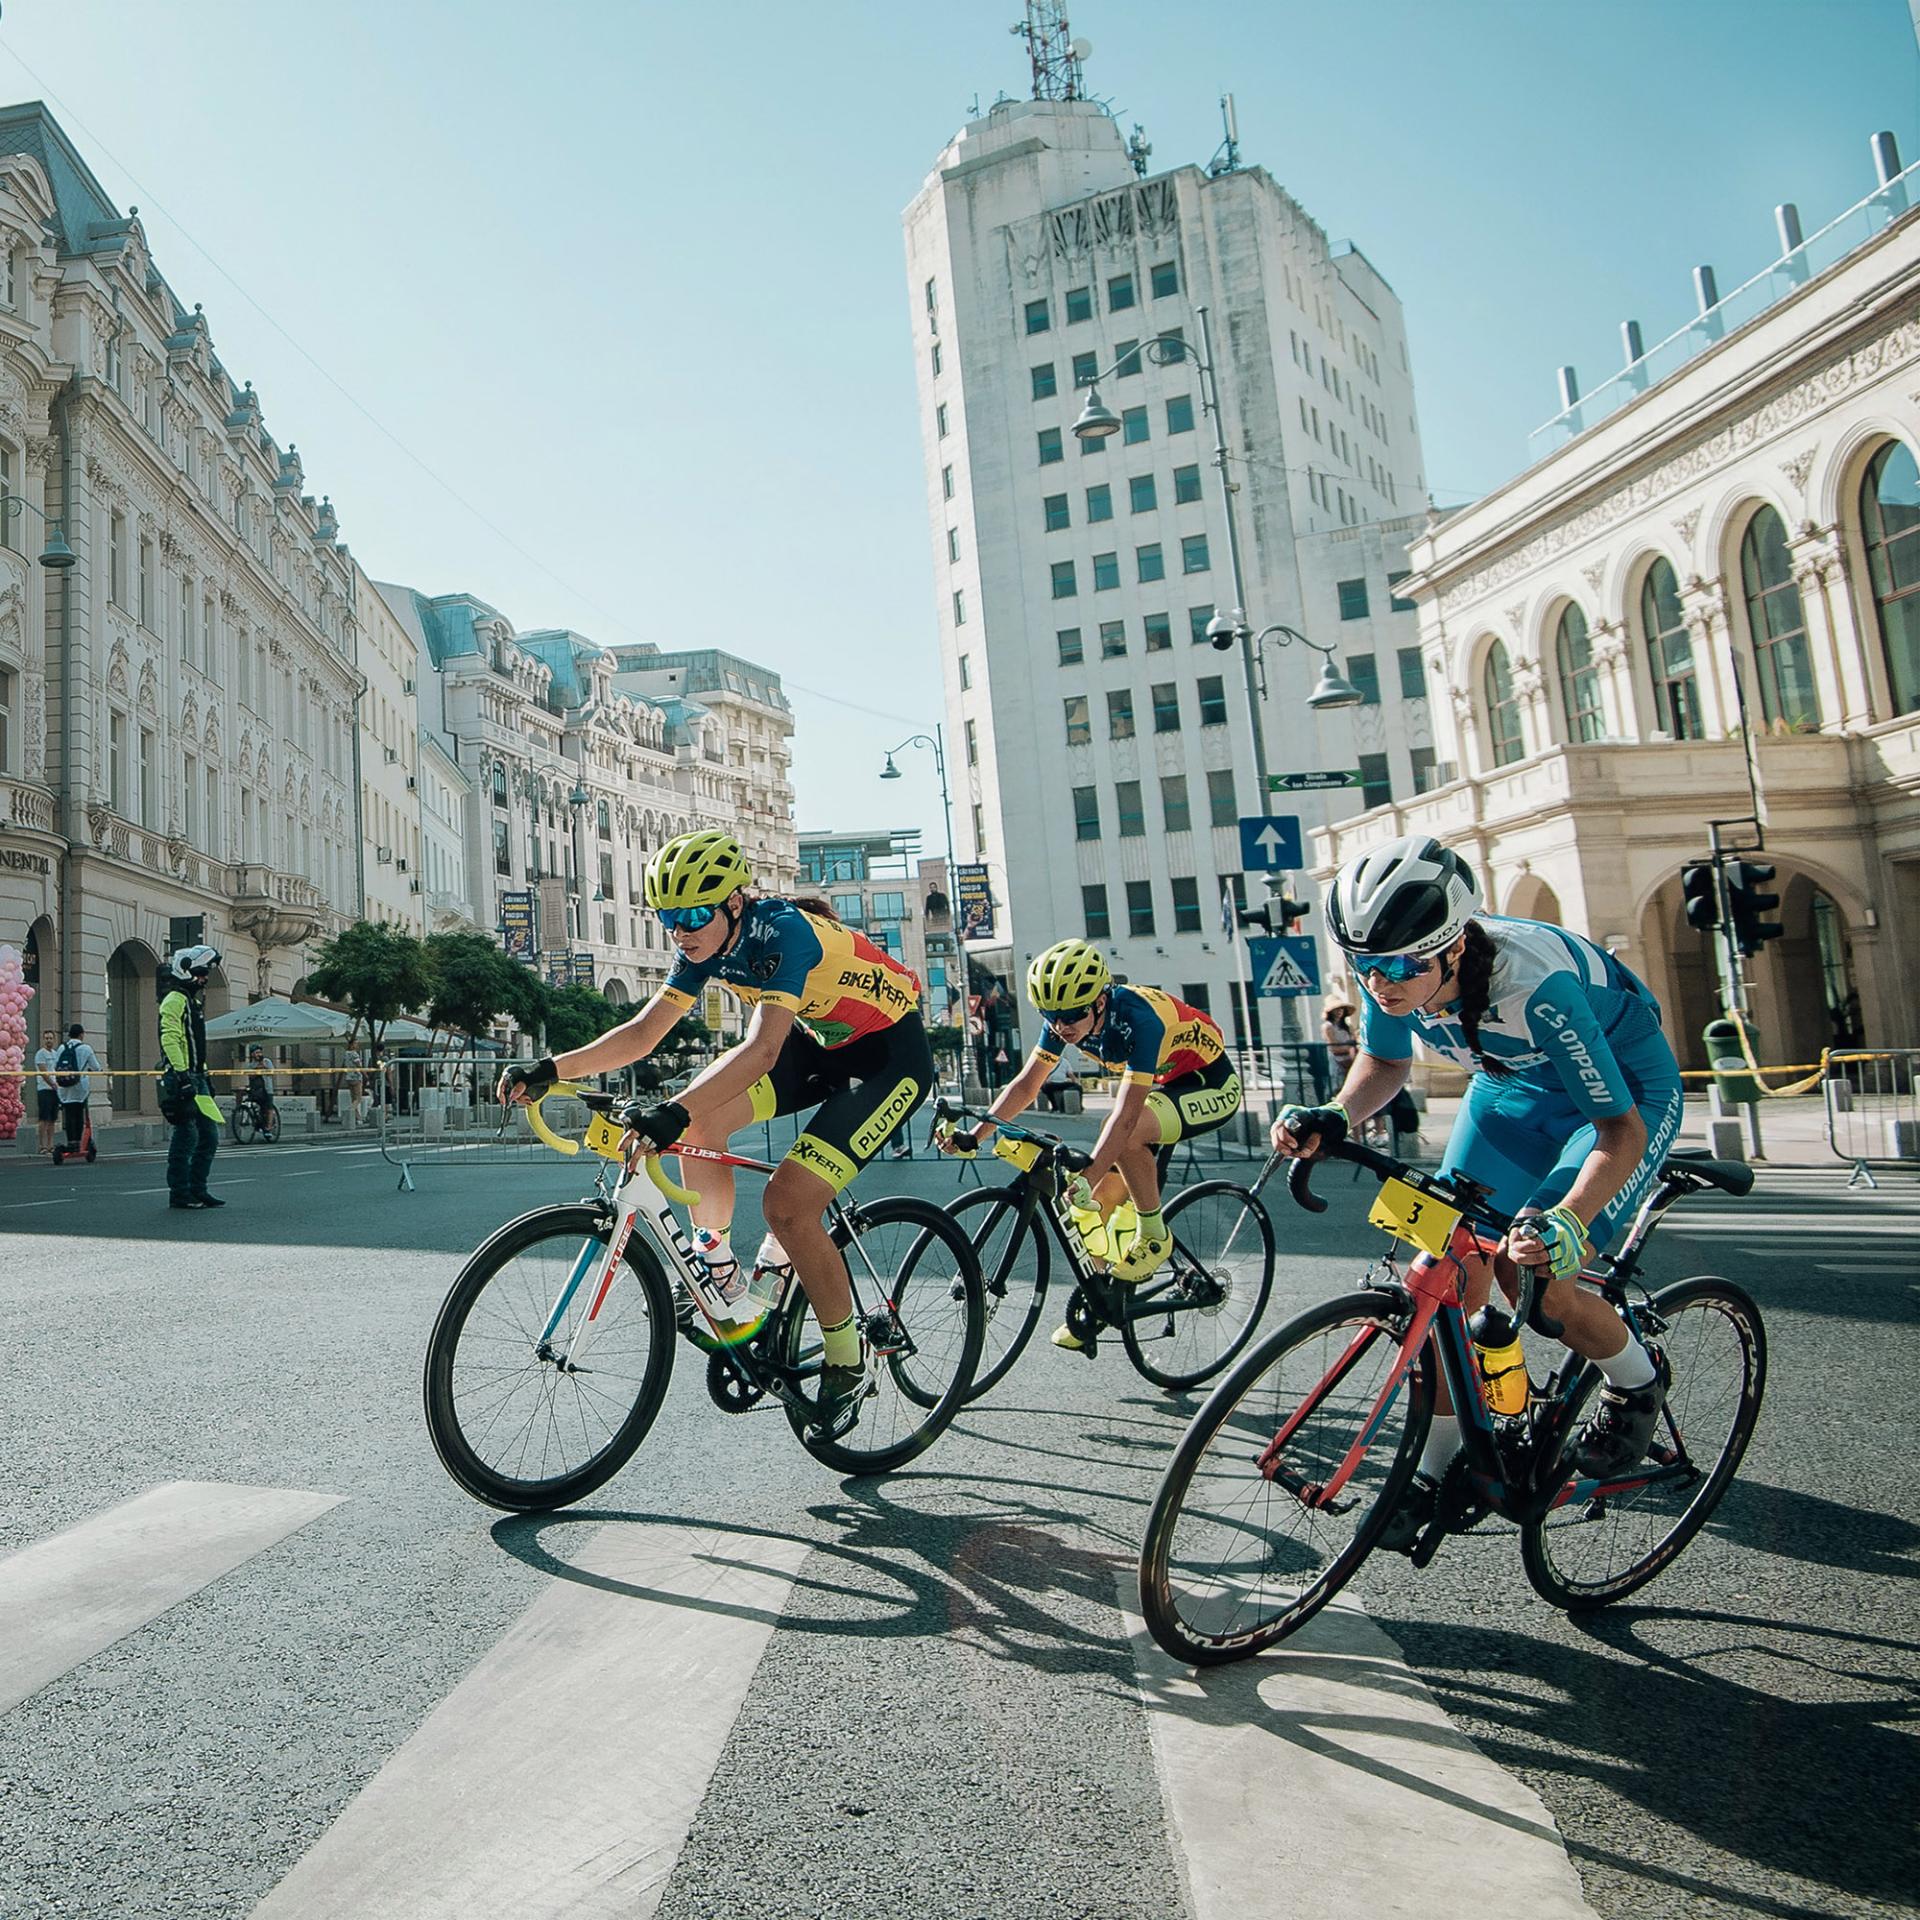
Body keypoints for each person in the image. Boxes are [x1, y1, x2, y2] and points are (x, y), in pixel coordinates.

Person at [1270, 834, 1684, 1548]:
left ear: (1455, 947)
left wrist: (1566, 1220)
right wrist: (1336, 1114)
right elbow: (1384, 1059)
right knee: (1434, 1275)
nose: (1381, 983)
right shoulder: (1392, 970)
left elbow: (1618, 1131)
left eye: (1400, 966)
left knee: (1539, 1273)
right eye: (1364, 967)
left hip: (1620, 1101)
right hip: (1510, 1091)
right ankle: (1441, 1468)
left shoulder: (1534, 987)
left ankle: (1635, 1382)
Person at [498, 829, 934, 1437]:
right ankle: (719, 1266)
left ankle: (847, 1359)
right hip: (820, 1046)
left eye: (695, 914)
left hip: (888, 1059)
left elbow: (758, 1050)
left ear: (735, 903)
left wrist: (669, 1110)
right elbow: (645, 1031)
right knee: (705, 1117)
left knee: (788, 1205)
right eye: (669, 918)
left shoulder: (781, 933)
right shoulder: (703, 948)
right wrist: (550, 1068)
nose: (682, 930)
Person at [939, 940, 1242, 1350]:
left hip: (1208, 1084)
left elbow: (1126, 1115)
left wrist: (1088, 1172)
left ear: (1100, 1000)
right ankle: (1100, 1307)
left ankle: (1154, 1235)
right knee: (1093, 1211)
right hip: (1164, 1090)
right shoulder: (1064, 1020)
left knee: (1126, 1137)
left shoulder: (1139, 1019)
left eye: (1073, 1015)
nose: (1062, 1025)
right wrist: (976, 1137)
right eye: (1050, 1015)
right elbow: (1027, 1085)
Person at [159, 944, 226, 1209]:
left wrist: (204, 1073)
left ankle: (198, 1189)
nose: (204, 978)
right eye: (200, 972)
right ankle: (180, 1192)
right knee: (187, 1135)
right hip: (183, 1077)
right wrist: (182, 1074)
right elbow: (170, 1038)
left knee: (208, 1136)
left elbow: (195, 1043)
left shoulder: (191, 1001)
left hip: (197, 1076)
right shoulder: (175, 1000)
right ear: (185, 970)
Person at [51, 1022, 102, 1158]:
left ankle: (70, 1142)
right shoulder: (86, 1048)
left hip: (64, 1088)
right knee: (78, 1114)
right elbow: (96, 1067)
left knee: (68, 1115)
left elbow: (55, 1065)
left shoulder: (62, 1048)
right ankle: (78, 1144)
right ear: (81, 1034)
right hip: (79, 1088)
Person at [32, 1026, 60, 1155]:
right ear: (43, 1040)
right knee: (44, 1118)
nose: (49, 1040)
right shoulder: (40, 1054)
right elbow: (43, 1072)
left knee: (52, 1119)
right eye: (46, 1038)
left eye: (51, 1038)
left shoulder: (55, 1054)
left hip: (55, 1090)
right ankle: (42, 1145)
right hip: (44, 1089)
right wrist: (52, 1084)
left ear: (54, 1040)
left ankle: (50, 1144)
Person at [243, 1047, 278, 1129]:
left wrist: (264, 1067)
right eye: (256, 1052)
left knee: (269, 1107)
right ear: (252, 1054)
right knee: (257, 1106)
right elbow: (251, 1076)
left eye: (260, 1052)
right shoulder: (250, 1065)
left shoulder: (267, 1061)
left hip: (267, 1088)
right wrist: (257, 1069)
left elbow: (271, 1073)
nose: (259, 1054)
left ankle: (269, 1127)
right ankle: (258, 1122)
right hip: (256, 1090)